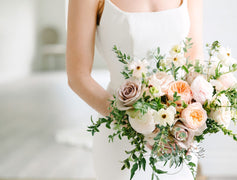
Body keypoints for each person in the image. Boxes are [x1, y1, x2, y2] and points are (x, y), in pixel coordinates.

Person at [66, 0, 204, 179]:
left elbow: (194, 57)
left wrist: (185, 119)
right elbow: (78, 77)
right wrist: (140, 125)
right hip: (120, 135)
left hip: (176, 135)